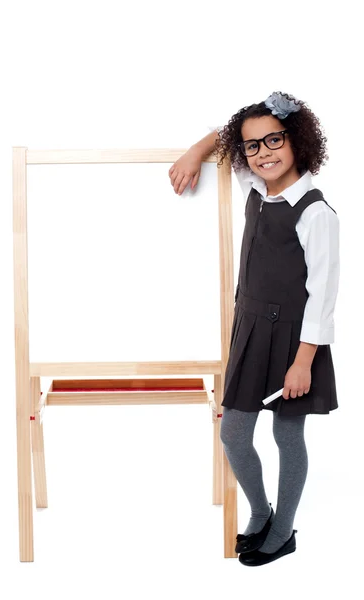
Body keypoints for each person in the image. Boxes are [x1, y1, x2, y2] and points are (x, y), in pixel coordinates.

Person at [168, 91, 340, 566]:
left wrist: (303, 362)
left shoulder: (314, 210)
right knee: (235, 435)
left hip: (294, 341)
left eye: (273, 140)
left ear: (297, 141)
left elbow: (323, 296)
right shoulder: (252, 183)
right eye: (253, 145)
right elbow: (224, 141)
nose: (263, 152)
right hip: (251, 331)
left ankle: (283, 531)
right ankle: (262, 513)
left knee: (288, 436)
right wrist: (195, 152)